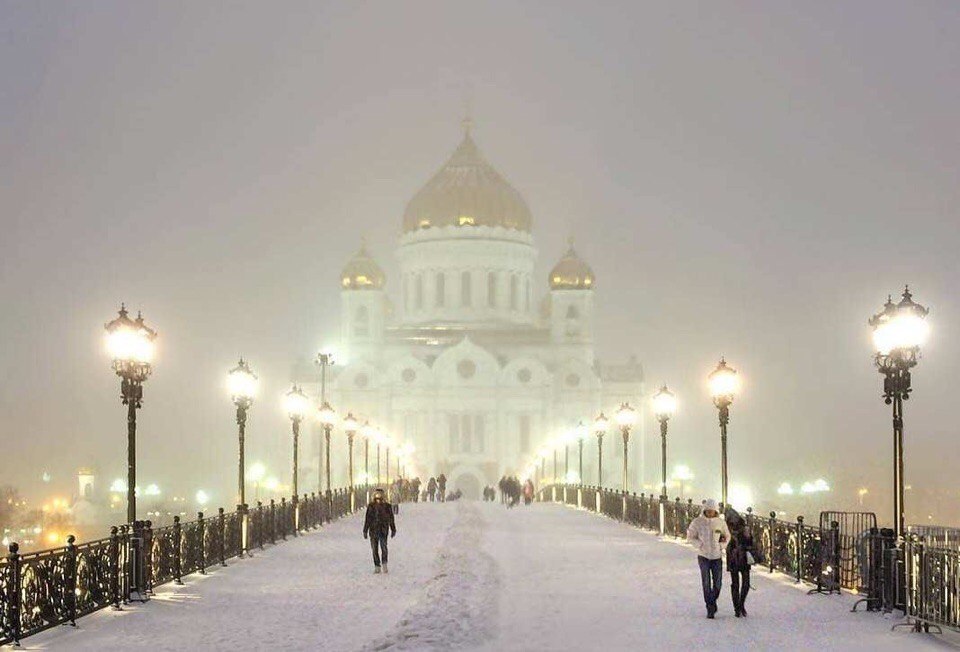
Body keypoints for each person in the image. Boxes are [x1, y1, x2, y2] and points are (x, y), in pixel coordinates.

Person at [686, 498, 730, 618]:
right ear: (704, 511)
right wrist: (700, 545)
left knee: (717, 583)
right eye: (708, 511)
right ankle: (710, 607)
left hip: (716, 557)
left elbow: (727, 536)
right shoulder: (698, 522)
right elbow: (690, 536)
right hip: (703, 556)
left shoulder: (720, 523)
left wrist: (721, 546)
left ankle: (712, 600)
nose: (710, 513)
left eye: (712, 511)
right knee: (706, 582)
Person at [725, 508, 756, 617]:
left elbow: (750, 541)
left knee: (740, 584)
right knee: (740, 583)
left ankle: (739, 606)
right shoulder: (726, 529)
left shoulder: (743, 528)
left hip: (739, 558)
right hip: (736, 558)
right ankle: (738, 607)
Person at [363, 488, 396, 574]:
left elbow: (391, 518)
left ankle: (384, 563)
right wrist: (365, 530)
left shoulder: (387, 506)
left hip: (383, 530)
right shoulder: (371, 506)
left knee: (383, 547)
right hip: (373, 530)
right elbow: (367, 519)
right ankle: (377, 565)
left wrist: (393, 529)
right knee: (374, 548)